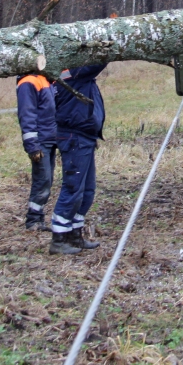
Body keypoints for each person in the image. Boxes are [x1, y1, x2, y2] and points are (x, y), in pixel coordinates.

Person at [48, 64, 107, 255]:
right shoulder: (72, 73)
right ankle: (59, 238)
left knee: (87, 191)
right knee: (73, 187)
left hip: (84, 136)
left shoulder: (77, 75)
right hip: (75, 137)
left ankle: (75, 234)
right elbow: (98, 63)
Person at [16, 72, 57, 231]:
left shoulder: (46, 79)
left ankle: (37, 217)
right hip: (40, 141)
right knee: (42, 180)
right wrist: (32, 145)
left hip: (49, 138)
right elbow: (27, 114)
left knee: (47, 179)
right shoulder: (29, 82)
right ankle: (33, 220)